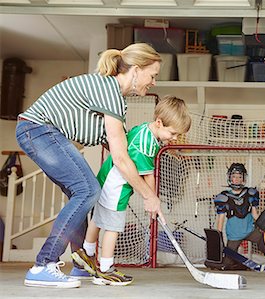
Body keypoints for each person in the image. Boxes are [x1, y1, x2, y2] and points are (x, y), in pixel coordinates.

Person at [17, 43, 164, 288]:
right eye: (153, 75)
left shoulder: (113, 96)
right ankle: (43, 264)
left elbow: (124, 147)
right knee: (88, 189)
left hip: (41, 133)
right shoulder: (111, 92)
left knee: (83, 192)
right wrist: (149, 196)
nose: (153, 82)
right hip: (38, 130)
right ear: (136, 70)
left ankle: (81, 263)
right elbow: (120, 158)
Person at [71, 95, 191, 286]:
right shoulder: (146, 144)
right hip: (116, 187)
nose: (174, 138)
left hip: (105, 177)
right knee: (113, 226)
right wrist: (152, 200)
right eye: (173, 133)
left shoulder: (145, 129)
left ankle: (87, 253)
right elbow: (148, 176)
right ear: (159, 123)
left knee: (99, 219)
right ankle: (106, 269)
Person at [211, 163, 265, 270]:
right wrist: (218, 237)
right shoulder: (223, 197)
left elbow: (255, 214)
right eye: (234, 176)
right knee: (227, 263)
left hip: (251, 230)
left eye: (239, 177)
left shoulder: (250, 193)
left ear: (243, 178)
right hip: (234, 234)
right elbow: (221, 219)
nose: (236, 179)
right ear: (230, 178)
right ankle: (240, 264)